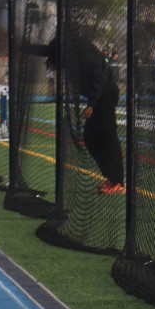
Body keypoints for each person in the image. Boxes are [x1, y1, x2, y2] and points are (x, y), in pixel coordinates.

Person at [44, 33, 125, 193]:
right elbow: (45, 50)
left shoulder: (80, 50)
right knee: (89, 136)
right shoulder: (69, 53)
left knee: (109, 135)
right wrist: (20, 47)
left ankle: (118, 181)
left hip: (105, 93)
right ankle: (110, 176)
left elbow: (98, 75)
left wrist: (91, 104)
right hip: (97, 97)